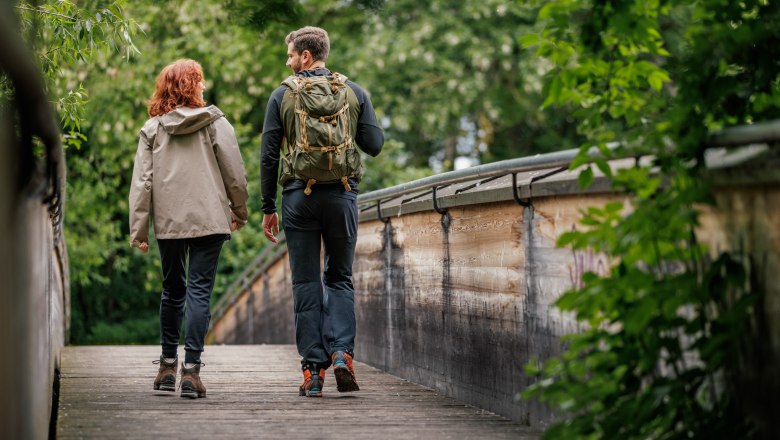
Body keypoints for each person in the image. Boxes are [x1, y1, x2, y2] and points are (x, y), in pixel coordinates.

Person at [260, 26, 384, 397]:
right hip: (342, 197)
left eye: (291, 55)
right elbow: (374, 145)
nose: (288, 61)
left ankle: (313, 371)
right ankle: (343, 353)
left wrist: (268, 207)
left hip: (299, 198)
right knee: (340, 278)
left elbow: (268, 156)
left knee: (306, 283)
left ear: (306, 57)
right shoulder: (353, 91)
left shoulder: (282, 94)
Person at [129, 59, 249, 399]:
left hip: (169, 223)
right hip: (210, 220)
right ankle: (191, 373)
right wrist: (238, 210)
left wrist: (138, 230)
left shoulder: (153, 129)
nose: (205, 86)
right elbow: (235, 173)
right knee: (199, 291)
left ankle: (167, 366)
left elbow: (141, 184)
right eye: (201, 81)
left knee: (172, 289)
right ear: (193, 85)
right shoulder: (215, 122)